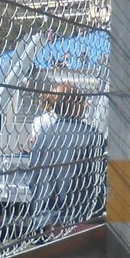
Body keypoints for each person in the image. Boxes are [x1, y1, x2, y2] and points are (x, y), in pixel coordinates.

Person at [28, 89, 107, 232]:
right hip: (83, 217)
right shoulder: (92, 136)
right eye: (83, 102)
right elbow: (101, 179)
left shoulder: (44, 137)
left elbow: (35, 178)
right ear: (74, 104)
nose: (86, 106)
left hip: (47, 219)